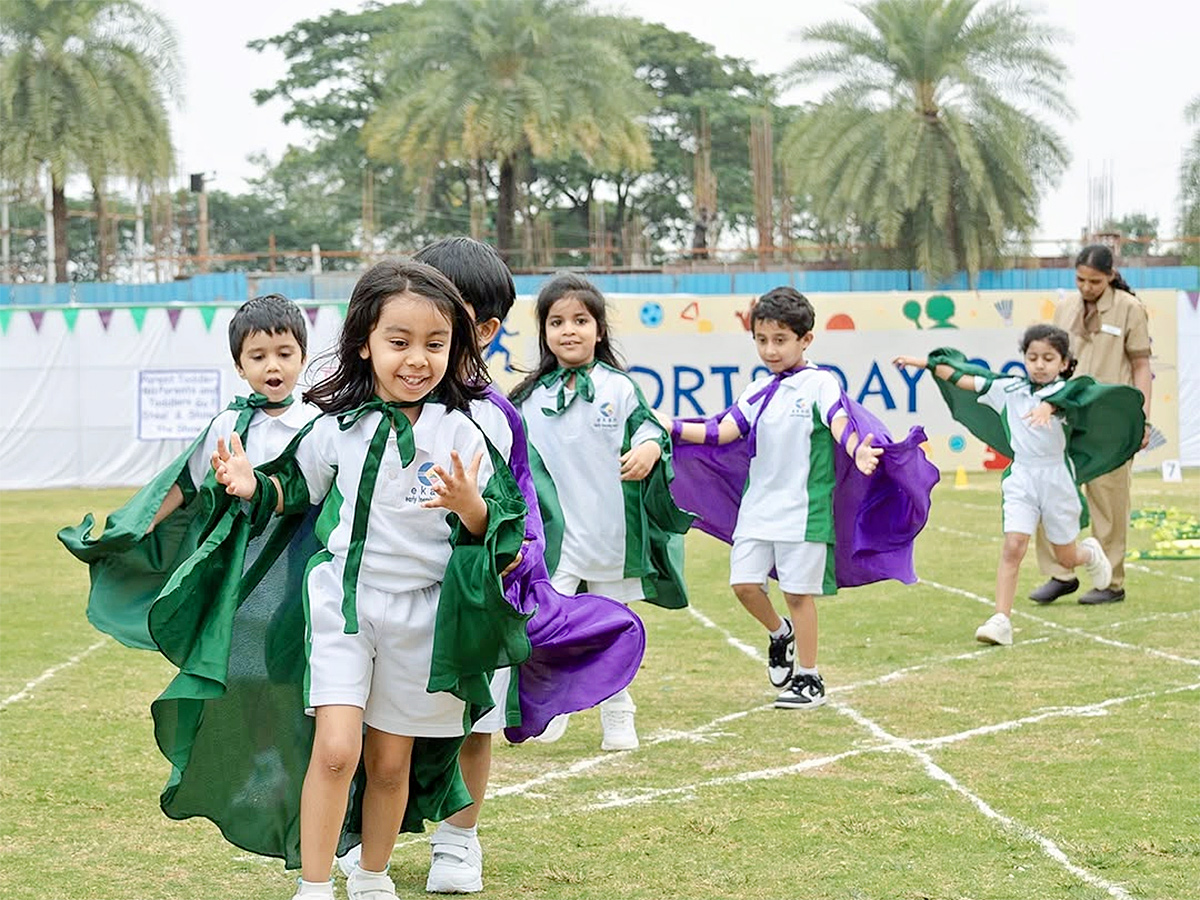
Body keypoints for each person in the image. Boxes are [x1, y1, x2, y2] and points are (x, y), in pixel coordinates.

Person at [212, 261, 527, 900]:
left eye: (435, 344)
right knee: (335, 749)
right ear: (365, 342)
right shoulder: (335, 427)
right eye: (399, 341)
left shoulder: (462, 430)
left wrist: (470, 504)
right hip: (344, 606)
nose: (417, 359)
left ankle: (375, 874)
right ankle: (314, 885)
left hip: (425, 615)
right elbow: (294, 489)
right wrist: (255, 485)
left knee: (390, 764)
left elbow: (504, 525)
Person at [59, 292, 313, 650]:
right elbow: (187, 482)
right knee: (235, 633)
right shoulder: (229, 424)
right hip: (241, 551)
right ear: (240, 366)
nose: (273, 366)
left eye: (284, 354)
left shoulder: (318, 421)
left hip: (296, 548)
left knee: (294, 635)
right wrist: (146, 521)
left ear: (302, 356)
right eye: (258, 357)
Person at [669, 287, 884, 708]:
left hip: (804, 513)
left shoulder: (821, 382)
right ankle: (778, 633)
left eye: (780, 340)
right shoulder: (756, 389)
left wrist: (858, 449)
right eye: (762, 340)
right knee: (744, 585)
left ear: (806, 340)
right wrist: (669, 426)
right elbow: (721, 431)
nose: (770, 349)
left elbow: (840, 420)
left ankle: (809, 677)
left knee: (798, 594)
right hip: (758, 510)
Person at [510, 273, 693, 751]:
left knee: (613, 627)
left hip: (610, 531)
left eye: (580, 320)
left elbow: (651, 429)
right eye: (556, 322)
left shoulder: (620, 388)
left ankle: (619, 713)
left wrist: (650, 448)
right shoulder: (528, 400)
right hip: (553, 536)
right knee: (543, 623)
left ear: (599, 329)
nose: (569, 330)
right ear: (544, 332)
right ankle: (555, 705)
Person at [895, 323, 1145, 645]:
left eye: (1049, 358)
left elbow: (1078, 394)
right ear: (1024, 359)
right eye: (1033, 357)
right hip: (1022, 477)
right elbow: (962, 378)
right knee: (1014, 546)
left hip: (1056, 479)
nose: (1040, 364)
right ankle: (1001, 620)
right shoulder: (1008, 388)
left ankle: (1089, 555)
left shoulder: (1070, 392)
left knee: (1066, 557)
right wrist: (924, 363)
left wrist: (1049, 406)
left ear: (1064, 363)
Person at [1029, 245, 1153, 605]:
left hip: (1110, 421)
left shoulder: (1131, 309)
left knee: (1109, 502)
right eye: (1080, 279)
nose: (1086, 287)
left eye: (1095, 281)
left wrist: (1141, 418)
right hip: (1067, 416)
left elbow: (1142, 366)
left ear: (1111, 275)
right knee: (1052, 492)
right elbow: (1053, 359)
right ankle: (1060, 573)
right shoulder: (1065, 307)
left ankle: (1111, 582)